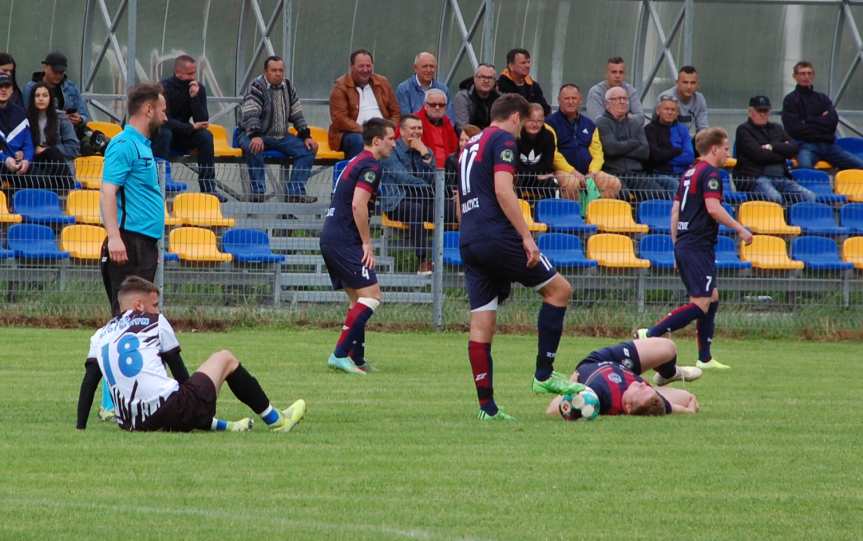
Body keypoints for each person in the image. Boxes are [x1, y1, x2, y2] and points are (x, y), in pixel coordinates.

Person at [457, 93, 584, 421]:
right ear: (514, 117)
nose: (523, 131)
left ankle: (487, 408)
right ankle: (544, 374)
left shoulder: (470, 144)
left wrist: (469, 232)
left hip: (470, 238)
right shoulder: (502, 140)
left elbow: (460, 197)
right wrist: (526, 237)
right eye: (524, 123)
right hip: (497, 236)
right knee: (559, 291)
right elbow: (503, 189)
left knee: (482, 322)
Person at [75, 276, 306, 432]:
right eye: (155, 304)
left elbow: (88, 385)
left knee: (174, 395)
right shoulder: (155, 322)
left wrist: (80, 429)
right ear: (139, 305)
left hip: (131, 423)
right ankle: (276, 421)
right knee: (225, 358)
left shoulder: (100, 335)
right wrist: (196, 403)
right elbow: (179, 371)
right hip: (168, 413)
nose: (159, 309)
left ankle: (225, 426)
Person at [635, 128, 753, 370]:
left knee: (712, 297)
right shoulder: (710, 173)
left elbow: (675, 211)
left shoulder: (689, 172)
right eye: (726, 148)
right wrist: (740, 229)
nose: (727, 153)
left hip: (687, 243)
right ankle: (652, 333)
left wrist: (676, 244)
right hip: (697, 244)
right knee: (700, 303)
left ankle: (705, 358)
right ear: (714, 149)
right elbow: (713, 208)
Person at [320, 118, 396, 374]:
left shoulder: (355, 160)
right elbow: (358, 204)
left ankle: (357, 358)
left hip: (332, 235)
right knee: (372, 296)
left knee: (358, 301)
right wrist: (366, 242)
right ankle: (339, 355)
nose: (394, 144)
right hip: (344, 239)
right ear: (377, 141)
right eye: (391, 139)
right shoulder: (370, 165)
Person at [100, 83, 167, 316]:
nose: (165, 117)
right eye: (162, 110)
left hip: (143, 243)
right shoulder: (124, 144)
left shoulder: (142, 145)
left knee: (140, 315)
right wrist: (114, 238)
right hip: (128, 241)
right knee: (127, 315)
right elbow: (108, 191)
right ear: (149, 110)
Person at [545, 337, 702, 418]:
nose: (642, 384)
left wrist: (572, 384)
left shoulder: (599, 396)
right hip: (623, 364)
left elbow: (553, 410)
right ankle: (669, 374)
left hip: (598, 361)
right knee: (668, 348)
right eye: (647, 387)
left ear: (627, 406)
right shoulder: (652, 399)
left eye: (641, 389)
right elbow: (687, 402)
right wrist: (689, 412)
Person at [238, 55, 318, 202]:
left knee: (309, 149)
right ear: (266, 71)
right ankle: (258, 192)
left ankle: (295, 192)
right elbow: (251, 113)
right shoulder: (256, 86)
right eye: (274, 70)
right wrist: (255, 135)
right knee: (253, 147)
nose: (278, 73)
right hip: (255, 133)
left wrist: (306, 135)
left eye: (281, 70)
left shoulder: (288, 86)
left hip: (281, 135)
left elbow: (297, 113)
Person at [153, 54, 223, 200]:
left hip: (183, 134)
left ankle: (208, 188)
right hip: (165, 135)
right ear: (178, 72)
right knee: (164, 132)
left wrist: (194, 98)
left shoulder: (197, 88)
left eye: (194, 73)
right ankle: (161, 182)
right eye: (189, 74)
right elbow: (165, 120)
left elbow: (202, 120)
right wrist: (190, 128)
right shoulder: (164, 88)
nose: (193, 77)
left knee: (205, 136)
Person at [380, 114, 437, 275]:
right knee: (415, 209)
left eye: (420, 128)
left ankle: (463, 259)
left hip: (424, 198)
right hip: (397, 202)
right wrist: (427, 188)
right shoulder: (391, 150)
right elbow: (402, 178)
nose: (417, 132)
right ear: (402, 131)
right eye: (413, 128)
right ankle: (423, 261)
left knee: (452, 209)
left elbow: (436, 179)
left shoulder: (425, 151)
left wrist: (425, 154)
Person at [781, 60, 863, 170]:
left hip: (829, 146)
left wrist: (808, 120)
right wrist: (820, 120)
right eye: (802, 73)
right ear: (795, 76)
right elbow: (793, 128)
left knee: (859, 165)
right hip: (806, 146)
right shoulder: (790, 100)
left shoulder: (822, 98)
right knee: (804, 168)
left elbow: (832, 122)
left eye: (809, 73)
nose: (806, 77)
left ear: (813, 76)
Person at [546, 84, 621, 199]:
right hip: (563, 172)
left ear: (580, 100)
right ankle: (572, 215)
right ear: (559, 100)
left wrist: (592, 173)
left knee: (613, 183)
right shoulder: (550, 123)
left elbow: (597, 154)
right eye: (566, 98)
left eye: (574, 98)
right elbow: (553, 154)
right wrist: (574, 172)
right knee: (572, 183)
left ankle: (598, 215)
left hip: (589, 172)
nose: (570, 102)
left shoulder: (590, 124)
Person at [734, 96, 814, 204]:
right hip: (757, 178)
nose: (762, 114)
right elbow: (759, 155)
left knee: (809, 197)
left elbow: (794, 148)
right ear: (750, 112)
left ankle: (794, 220)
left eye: (765, 110)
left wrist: (773, 147)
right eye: (759, 110)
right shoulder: (743, 130)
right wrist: (783, 152)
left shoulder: (777, 128)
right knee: (775, 198)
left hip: (781, 177)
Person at [595, 86, 668, 200]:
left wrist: (620, 147)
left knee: (660, 195)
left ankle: (643, 218)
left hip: (636, 174)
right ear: (607, 104)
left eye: (625, 99)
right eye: (618, 99)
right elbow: (611, 149)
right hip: (613, 173)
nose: (622, 102)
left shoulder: (635, 123)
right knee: (623, 195)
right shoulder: (601, 122)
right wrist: (633, 143)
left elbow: (645, 152)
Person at [329, 49, 400, 159]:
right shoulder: (341, 86)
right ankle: (357, 173)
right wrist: (366, 131)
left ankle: (395, 175)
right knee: (359, 141)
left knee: (405, 138)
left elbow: (396, 112)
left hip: (383, 131)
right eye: (361, 66)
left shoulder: (382, 82)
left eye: (368, 66)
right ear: (351, 67)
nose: (365, 70)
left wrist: (389, 128)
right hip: (353, 133)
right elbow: (339, 119)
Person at [516, 102, 581, 201]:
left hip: (542, 174)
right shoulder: (516, 135)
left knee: (551, 184)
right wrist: (533, 175)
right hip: (520, 175)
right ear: (523, 120)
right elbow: (515, 163)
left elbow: (547, 163)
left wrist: (536, 175)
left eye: (539, 121)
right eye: (531, 120)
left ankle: (549, 212)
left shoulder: (548, 135)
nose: (535, 124)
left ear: (543, 121)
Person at [23, 51, 90, 138]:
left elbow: (84, 114)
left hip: (71, 133)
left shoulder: (71, 87)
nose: (58, 75)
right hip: (42, 134)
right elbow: (26, 117)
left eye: (61, 72)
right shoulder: (31, 88)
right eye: (55, 72)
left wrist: (80, 119)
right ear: (45, 68)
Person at [25, 82, 77, 190]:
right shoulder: (25, 119)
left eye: (45, 95)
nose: (41, 99)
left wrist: (47, 149)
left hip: (59, 165)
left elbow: (73, 148)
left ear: (51, 98)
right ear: (32, 99)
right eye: (37, 95)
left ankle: (64, 188)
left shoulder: (62, 118)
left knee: (52, 152)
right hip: (36, 164)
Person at [644, 94, 695, 196]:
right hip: (659, 174)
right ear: (658, 111)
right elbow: (655, 156)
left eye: (673, 110)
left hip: (682, 173)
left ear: (677, 113)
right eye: (666, 109)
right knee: (674, 185)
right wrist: (676, 151)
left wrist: (665, 157)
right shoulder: (650, 129)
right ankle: (675, 211)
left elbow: (689, 157)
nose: (670, 112)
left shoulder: (683, 129)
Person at [395, 51, 453, 121]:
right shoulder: (404, 89)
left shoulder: (443, 89)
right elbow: (406, 119)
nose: (428, 70)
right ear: (415, 68)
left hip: (439, 129)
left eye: (432, 66)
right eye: (425, 66)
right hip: (416, 130)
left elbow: (450, 118)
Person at [0, 72, 34, 187]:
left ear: (12, 90)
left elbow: (28, 143)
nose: (3, 90)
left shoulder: (20, 113)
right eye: (0, 86)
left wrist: (26, 159)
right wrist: (5, 159)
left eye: (7, 86)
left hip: (17, 167)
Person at [586, 57, 644, 121]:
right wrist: (625, 116)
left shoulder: (630, 91)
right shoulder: (596, 92)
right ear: (606, 74)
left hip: (628, 131)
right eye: (614, 72)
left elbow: (640, 118)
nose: (617, 76)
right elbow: (598, 121)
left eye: (621, 72)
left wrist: (616, 117)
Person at [497, 49, 551, 115]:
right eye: (523, 63)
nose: (528, 66)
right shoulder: (500, 86)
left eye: (528, 62)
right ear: (511, 66)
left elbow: (545, 109)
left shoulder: (534, 86)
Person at [660, 65, 709, 138]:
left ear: (697, 84)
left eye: (693, 83)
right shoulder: (665, 97)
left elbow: (703, 129)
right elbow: (656, 126)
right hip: (665, 138)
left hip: (686, 139)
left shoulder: (700, 99)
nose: (689, 87)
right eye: (685, 82)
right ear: (677, 83)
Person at [417, 88, 458, 168]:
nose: (437, 108)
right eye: (433, 105)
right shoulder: (414, 122)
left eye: (441, 105)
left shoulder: (447, 123)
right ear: (425, 106)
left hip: (447, 172)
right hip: (424, 170)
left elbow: (454, 149)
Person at [452, 64, 499, 131]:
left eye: (490, 78)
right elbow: (462, 128)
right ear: (475, 78)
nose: (486, 81)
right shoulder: (463, 97)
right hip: (468, 138)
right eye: (482, 77)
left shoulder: (499, 99)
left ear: (495, 81)